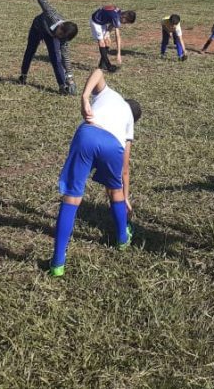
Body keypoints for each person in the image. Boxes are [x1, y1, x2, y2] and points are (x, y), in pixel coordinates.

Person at [49, 69, 142, 277]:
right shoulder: (128, 123)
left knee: (72, 198)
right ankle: (122, 239)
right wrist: (126, 197)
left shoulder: (110, 94)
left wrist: (84, 97)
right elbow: (124, 169)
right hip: (113, 145)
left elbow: (98, 71)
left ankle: (57, 263)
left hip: (88, 134)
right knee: (114, 191)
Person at [18, 0, 78, 94]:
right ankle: (23, 75)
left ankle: (62, 86)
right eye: (59, 34)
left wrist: (70, 78)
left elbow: (66, 58)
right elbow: (43, 1)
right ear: (61, 25)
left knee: (56, 59)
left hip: (49, 35)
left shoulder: (62, 39)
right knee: (30, 51)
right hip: (37, 28)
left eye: (61, 37)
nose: (58, 37)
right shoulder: (51, 15)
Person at [89, 5, 136, 71]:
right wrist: (118, 53)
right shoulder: (116, 17)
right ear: (124, 17)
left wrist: (107, 32)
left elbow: (112, 23)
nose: (124, 24)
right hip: (96, 21)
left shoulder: (120, 12)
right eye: (125, 22)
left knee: (108, 42)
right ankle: (108, 66)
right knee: (102, 42)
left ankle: (101, 65)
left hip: (102, 22)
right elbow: (117, 36)